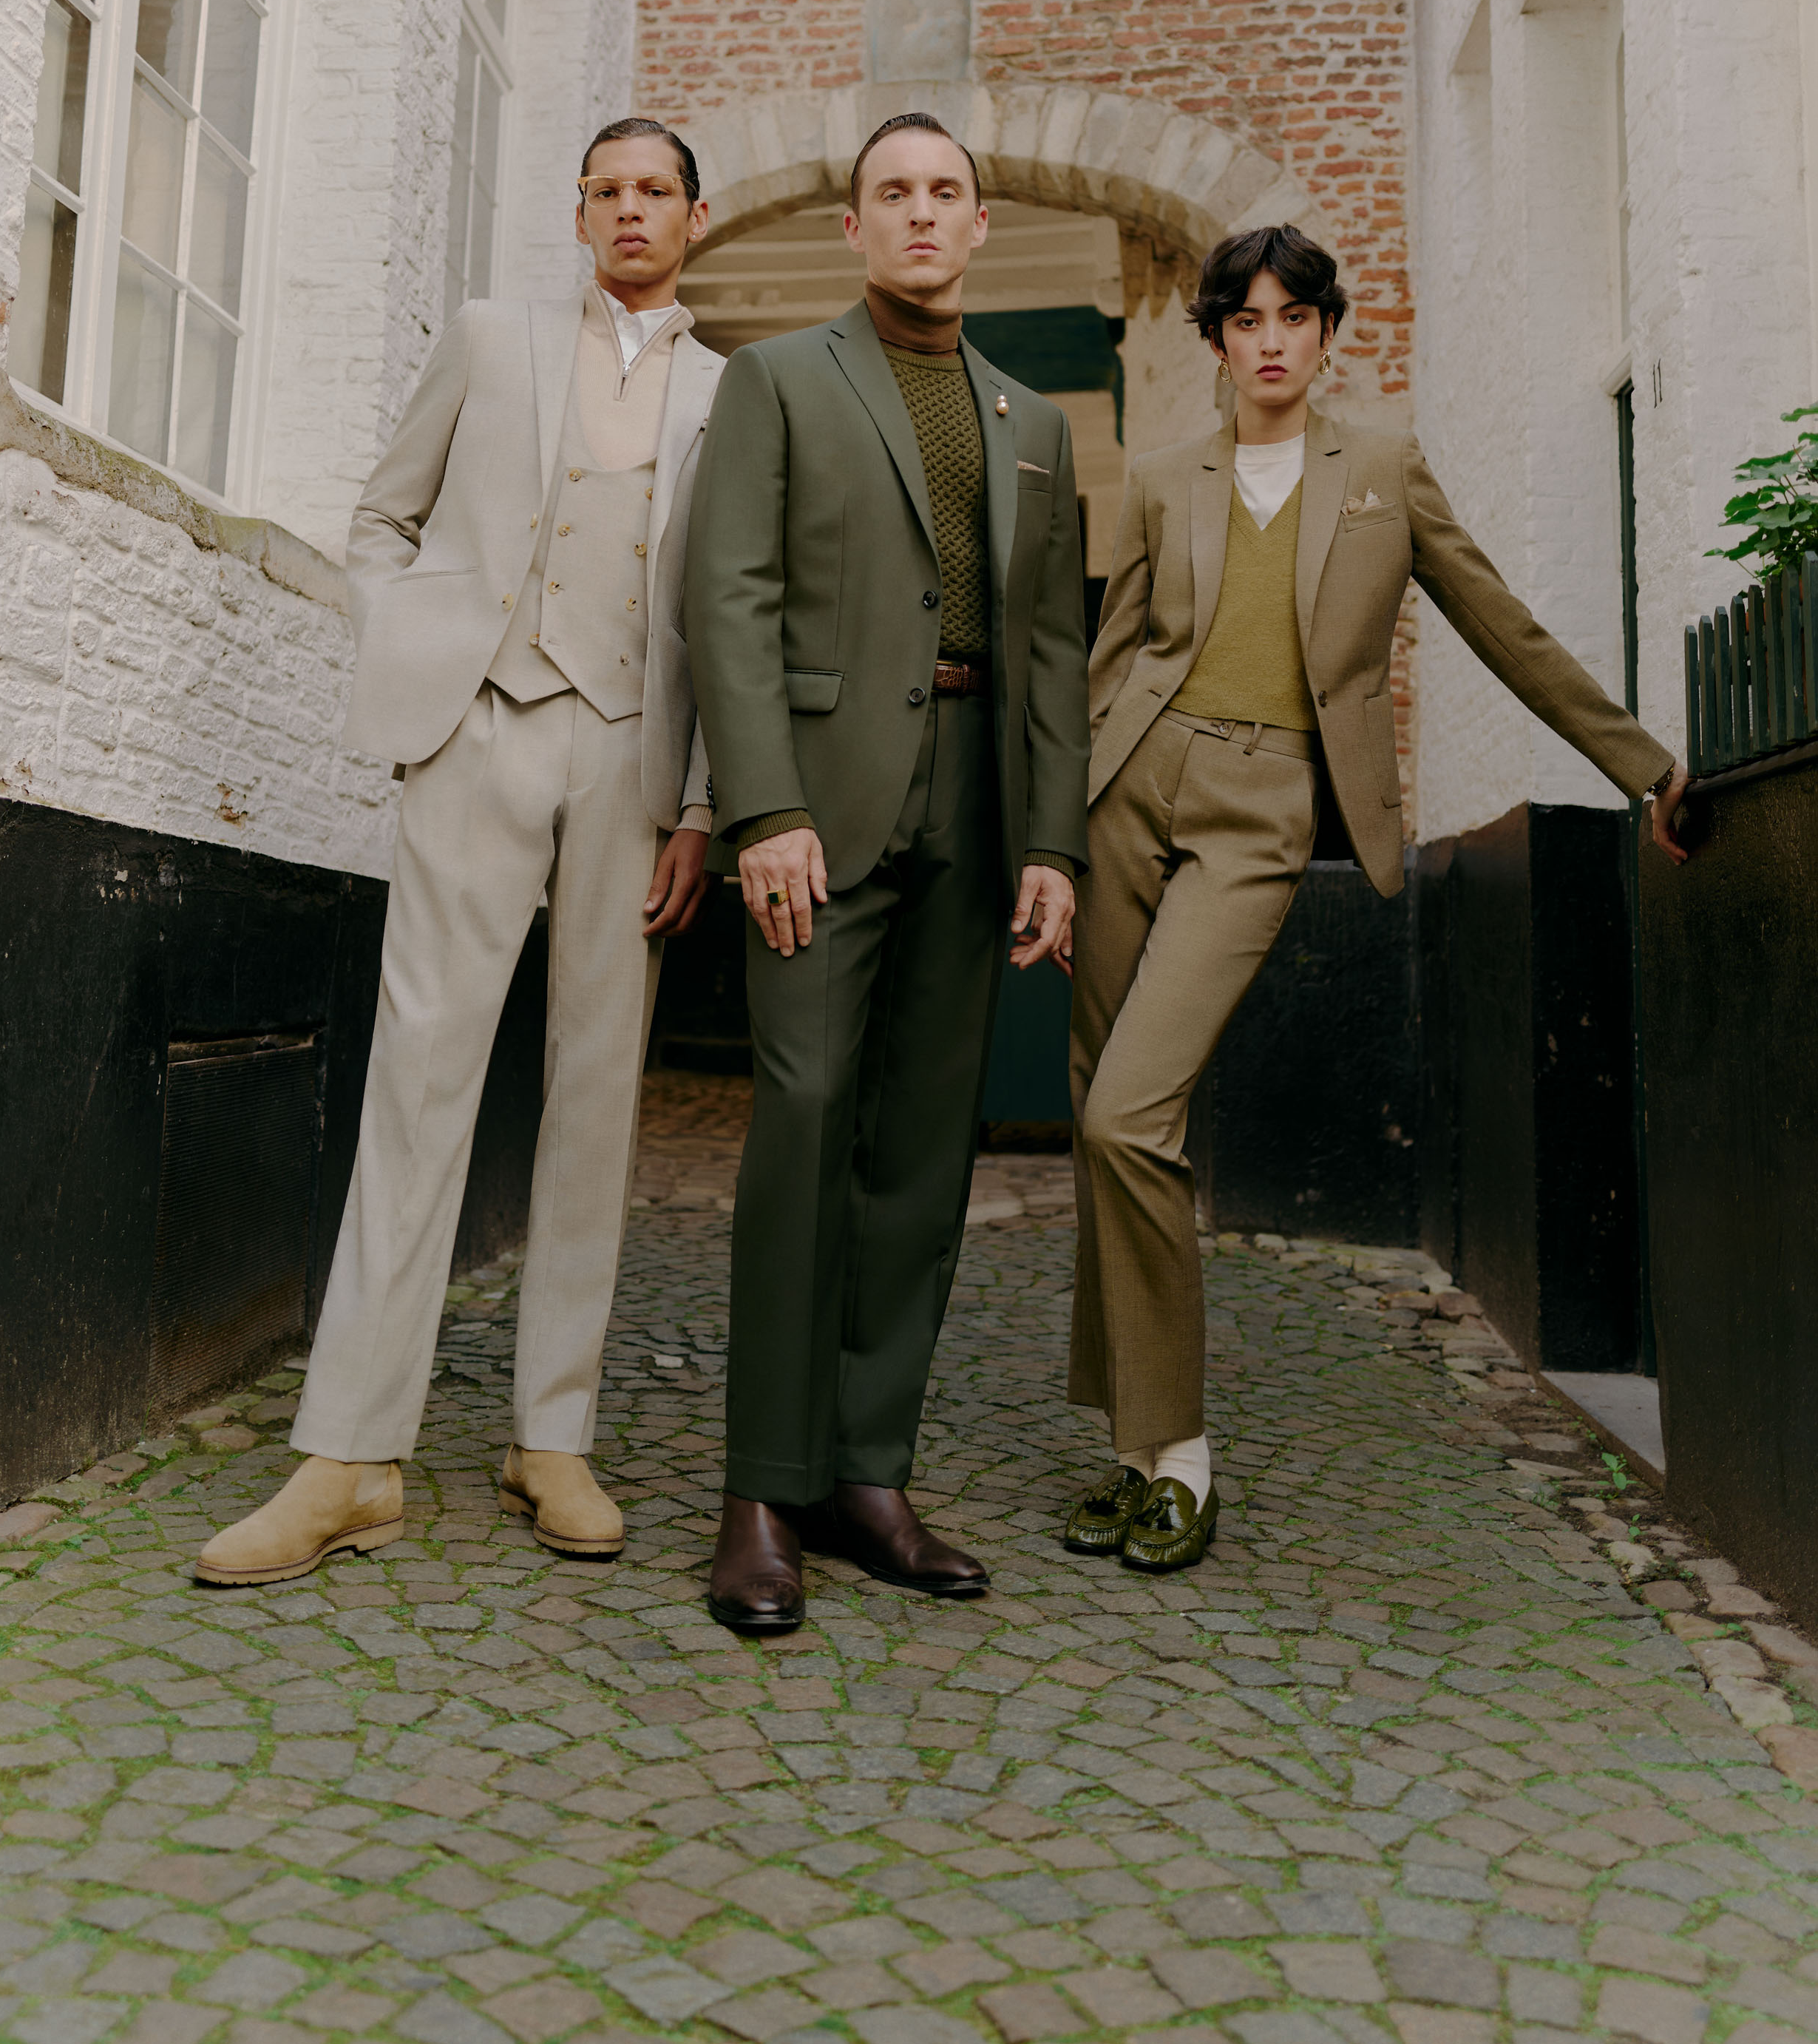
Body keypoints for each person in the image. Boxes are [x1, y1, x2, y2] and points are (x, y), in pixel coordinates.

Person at [1066, 223, 1692, 1576]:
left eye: (1296, 316)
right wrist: (1050, 851)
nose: (1273, 339)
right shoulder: (1167, 476)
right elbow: (1104, 665)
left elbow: (1503, 624)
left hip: (1265, 807)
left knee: (1134, 1110)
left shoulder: (1383, 474)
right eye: (1247, 319)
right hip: (1127, 795)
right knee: (1101, 1122)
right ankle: (1132, 1448)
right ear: (1220, 339)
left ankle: (1181, 1462)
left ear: (1327, 334)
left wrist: (1640, 767)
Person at [196, 122, 723, 1586]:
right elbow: (381, 516)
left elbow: (726, 616)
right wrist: (417, 646)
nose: (629, 212)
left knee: (597, 1091)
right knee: (417, 1073)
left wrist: (696, 802)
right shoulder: (493, 340)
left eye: (654, 193)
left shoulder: (730, 396)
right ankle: (350, 1454)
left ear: (694, 217)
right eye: (607, 191)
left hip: (631, 755)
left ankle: (551, 1433)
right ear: (579, 212)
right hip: (478, 729)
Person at [684, 114, 1091, 1635]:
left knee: (923, 1148)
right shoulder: (778, 380)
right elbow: (726, 596)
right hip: (818, 812)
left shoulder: (1033, 420)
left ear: (977, 227)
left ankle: (865, 1471)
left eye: (944, 195)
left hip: (975, 807)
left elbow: (1052, 646)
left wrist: (1049, 838)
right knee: (799, 1120)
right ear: (853, 228)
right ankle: (756, 1491)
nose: (919, 216)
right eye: (892, 195)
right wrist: (759, 806)